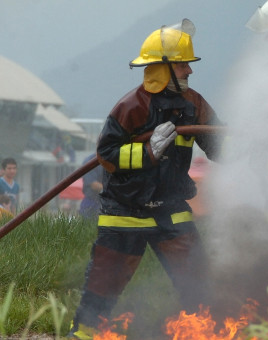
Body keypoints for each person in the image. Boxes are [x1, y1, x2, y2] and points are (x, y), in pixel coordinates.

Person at [69, 19, 223, 339]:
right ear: (162, 67)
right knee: (103, 285)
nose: (190, 72)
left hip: (171, 209)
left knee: (198, 282)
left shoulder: (194, 105)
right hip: (126, 211)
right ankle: (84, 335)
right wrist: (147, 153)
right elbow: (106, 155)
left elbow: (219, 145)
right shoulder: (131, 107)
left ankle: (208, 332)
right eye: (183, 65)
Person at [78, 154, 103, 219]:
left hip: (107, 202)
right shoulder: (90, 161)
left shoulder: (113, 159)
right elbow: (93, 184)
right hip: (91, 203)